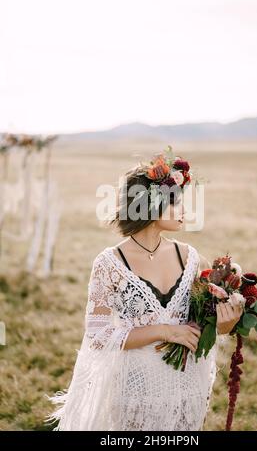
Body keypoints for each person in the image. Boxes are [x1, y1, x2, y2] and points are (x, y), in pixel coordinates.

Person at [45, 149, 242, 431]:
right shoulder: (109, 264)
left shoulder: (190, 257)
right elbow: (99, 335)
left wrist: (227, 323)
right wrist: (165, 330)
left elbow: (203, 325)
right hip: (135, 390)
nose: (185, 211)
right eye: (175, 202)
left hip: (188, 388)